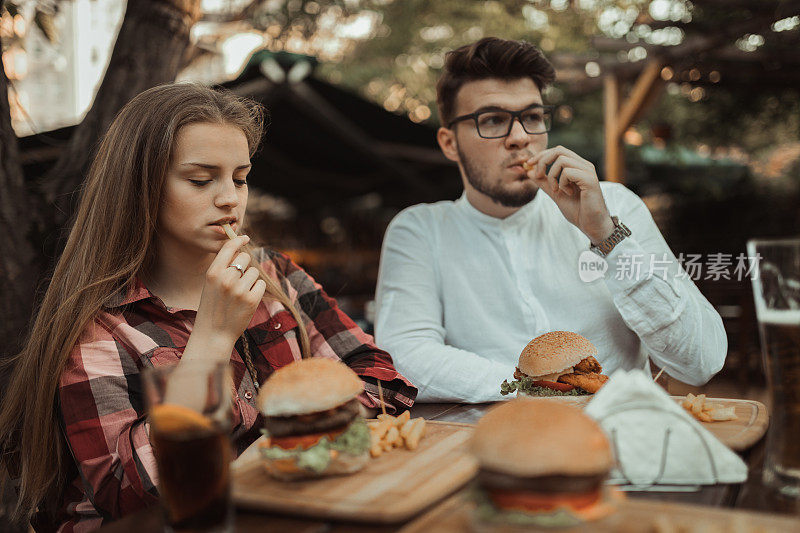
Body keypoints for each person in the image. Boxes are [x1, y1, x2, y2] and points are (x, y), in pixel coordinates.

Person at [0, 83, 417, 531]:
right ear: (139, 188)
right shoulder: (100, 326)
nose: (229, 199)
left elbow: (379, 374)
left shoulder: (274, 274)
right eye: (201, 179)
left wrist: (303, 435)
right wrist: (212, 339)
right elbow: (129, 493)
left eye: (239, 178)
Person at [374, 37, 726, 403]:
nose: (520, 137)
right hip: (491, 446)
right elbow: (406, 356)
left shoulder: (614, 205)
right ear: (449, 143)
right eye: (492, 120)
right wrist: (541, 389)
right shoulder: (420, 230)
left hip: (622, 439)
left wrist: (606, 236)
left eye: (531, 117)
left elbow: (701, 362)